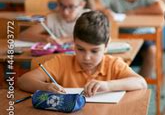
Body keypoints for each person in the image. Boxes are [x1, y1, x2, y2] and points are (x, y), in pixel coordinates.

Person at [18, 10, 147, 96]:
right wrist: (45, 87)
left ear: (107, 45)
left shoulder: (113, 64)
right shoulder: (61, 62)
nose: (87, 57)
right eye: (80, 49)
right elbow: (23, 81)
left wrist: (108, 86)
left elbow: (141, 83)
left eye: (95, 51)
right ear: (73, 43)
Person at [99, 0, 165, 78]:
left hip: (142, 35)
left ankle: (141, 83)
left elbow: (161, 9)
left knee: (152, 52)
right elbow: (97, 4)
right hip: (118, 35)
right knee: (108, 52)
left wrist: (134, 11)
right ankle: (118, 81)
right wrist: (105, 11)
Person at [19, 0, 94, 44]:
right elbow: (23, 35)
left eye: (71, 7)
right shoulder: (52, 18)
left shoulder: (88, 17)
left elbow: (94, 37)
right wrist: (46, 38)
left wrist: (65, 40)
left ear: (82, 5)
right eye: (61, 5)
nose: (65, 12)